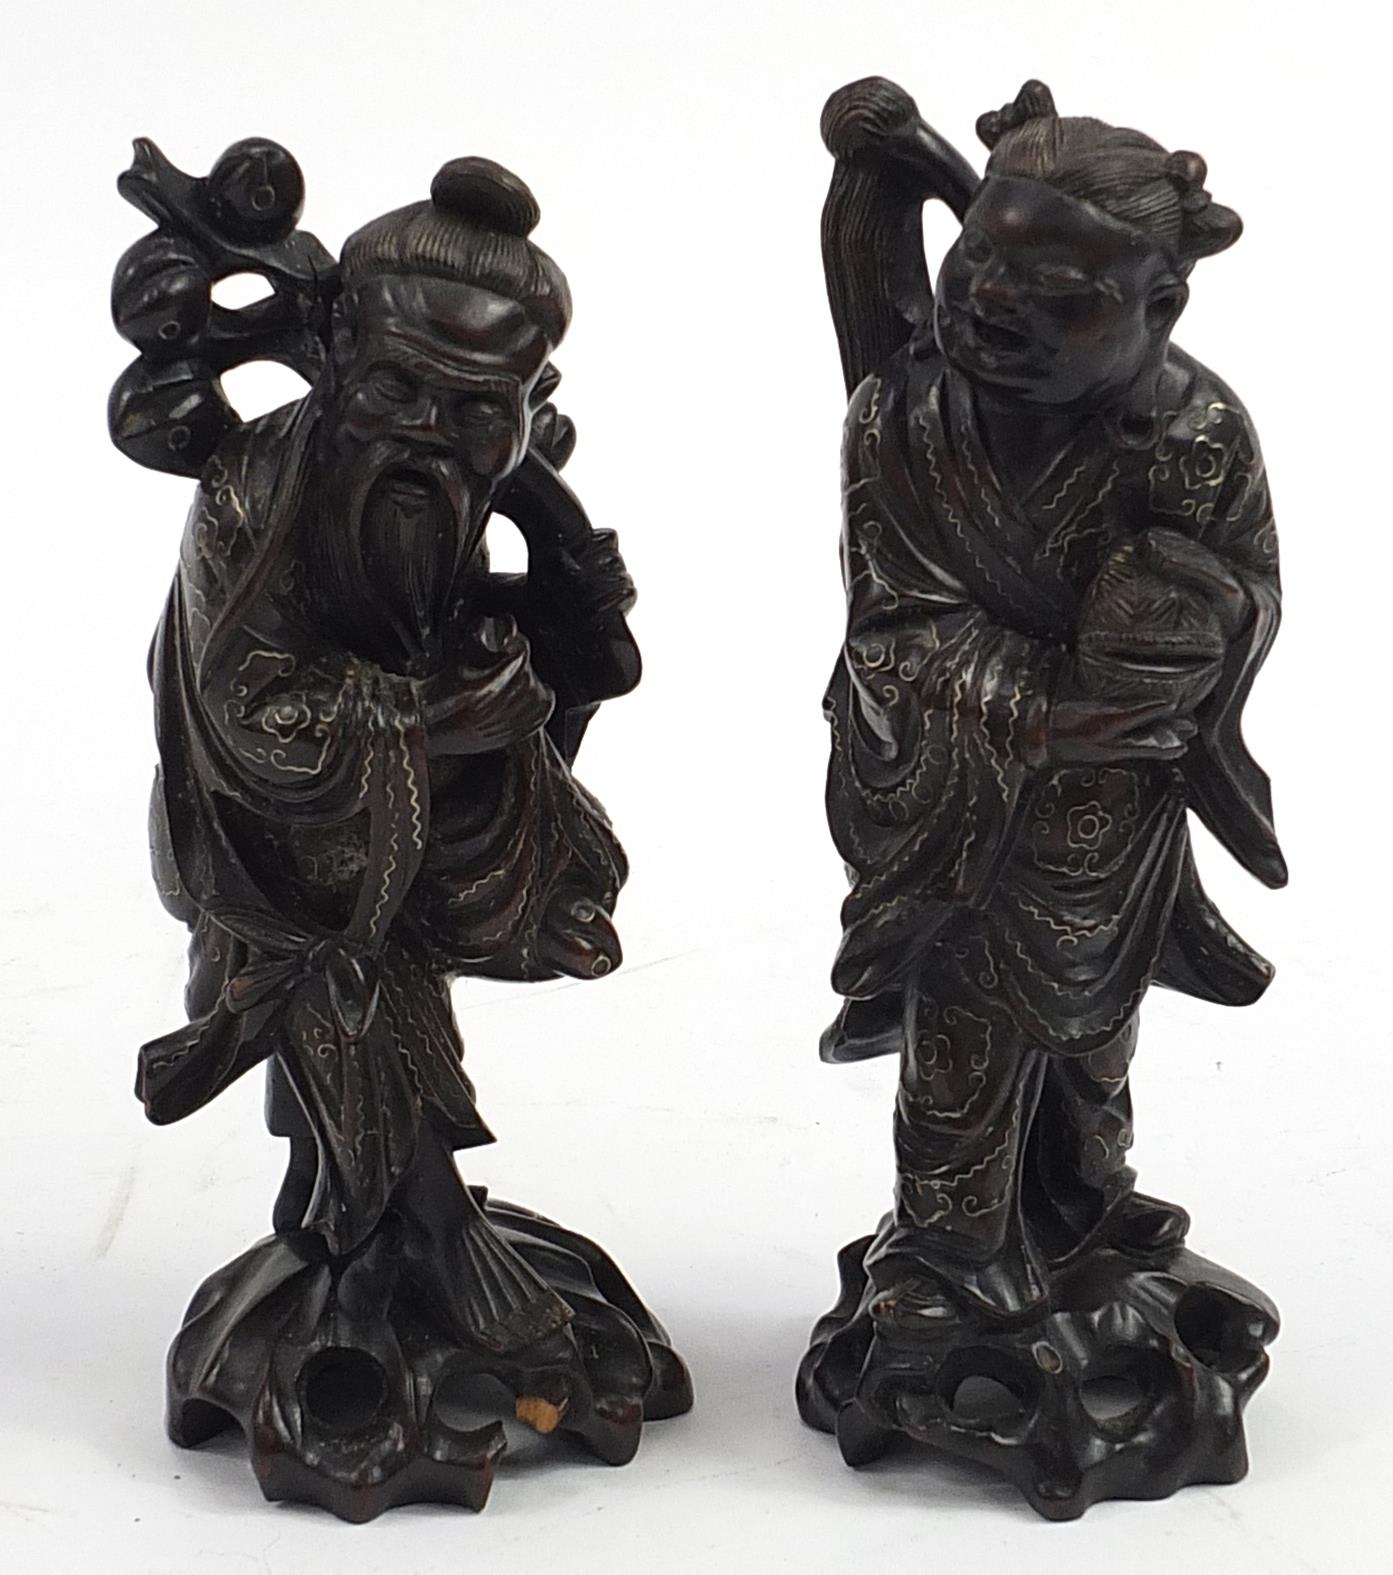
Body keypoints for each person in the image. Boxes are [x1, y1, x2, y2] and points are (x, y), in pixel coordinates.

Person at [138, 156, 639, 1351]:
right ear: (336, 356)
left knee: (397, 962)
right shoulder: (255, 490)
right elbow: (246, 706)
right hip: (268, 827)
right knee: (349, 984)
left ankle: (353, 1226)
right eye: (396, 390)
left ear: (530, 398)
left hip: (422, 815)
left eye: (476, 409)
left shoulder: (475, 481)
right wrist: (428, 722)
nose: (430, 433)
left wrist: (562, 584)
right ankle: (422, 1239)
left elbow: (590, 664)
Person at [820, 81, 1286, 1326]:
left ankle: (1076, 1206)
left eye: (1056, 294)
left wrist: (1196, 619)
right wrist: (1035, 711)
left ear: (1158, 306)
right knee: (967, 1020)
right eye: (977, 261)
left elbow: (1250, 589)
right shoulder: (905, 412)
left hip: (1111, 806)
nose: (991, 304)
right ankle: (945, 1256)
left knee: (1088, 1025)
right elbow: (892, 629)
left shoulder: (1194, 432)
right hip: (957, 790)